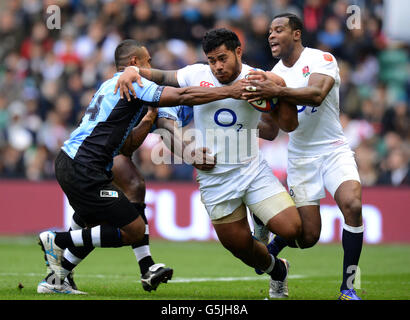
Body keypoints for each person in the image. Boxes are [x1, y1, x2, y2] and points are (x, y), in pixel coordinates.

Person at [38, 39, 246, 294]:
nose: (151, 66)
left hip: (76, 163)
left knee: (93, 224)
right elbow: (183, 95)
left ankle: (57, 281)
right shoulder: (135, 83)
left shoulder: (110, 86)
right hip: (83, 166)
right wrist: (230, 91)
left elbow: (127, 147)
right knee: (133, 228)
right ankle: (56, 240)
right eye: (148, 61)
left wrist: (148, 117)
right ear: (135, 63)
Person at [115, 28, 302, 299]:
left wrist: (269, 105)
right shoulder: (195, 74)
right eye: (211, 60)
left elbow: (272, 132)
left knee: (292, 229)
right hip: (214, 178)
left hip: (251, 169)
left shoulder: (257, 79)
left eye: (222, 58)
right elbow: (162, 76)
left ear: (238, 51)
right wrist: (134, 72)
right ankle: (278, 272)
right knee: (241, 248)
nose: (217, 66)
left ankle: (260, 219)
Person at [243, 13, 364, 300]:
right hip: (300, 156)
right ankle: (269, 232)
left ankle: (348, 288)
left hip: (333, 148)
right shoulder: (273, 74)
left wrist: (278, 90)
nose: (271, 35)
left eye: (279, 30)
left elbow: (317, 94)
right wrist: (238, 126)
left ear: (296, 34)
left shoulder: (322, 59)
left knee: (353, 205)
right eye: (269, 31)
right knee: (308, 238)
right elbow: (272, 131)